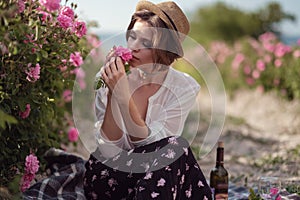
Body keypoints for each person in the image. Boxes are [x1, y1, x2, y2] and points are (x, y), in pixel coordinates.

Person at [84, 1, 212, 199]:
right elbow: (108, 149)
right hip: (109, 177)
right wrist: (113, 92)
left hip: (155, 179)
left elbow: (158, 152)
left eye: (145, 43)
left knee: (176, 147)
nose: (133, 47)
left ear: (165, 51)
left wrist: (124, 96)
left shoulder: (184, 88)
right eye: (132, 37)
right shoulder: (108, 76)